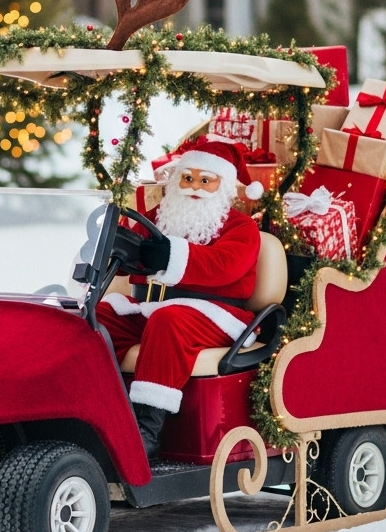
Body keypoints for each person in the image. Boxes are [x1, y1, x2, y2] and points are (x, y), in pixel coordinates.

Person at [97, 138, 263, 459]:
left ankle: (147, 428)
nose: (194, 188)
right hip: (157, 304)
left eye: (205, 181)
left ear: (223, 185)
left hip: (217, 313)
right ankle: (98, 410)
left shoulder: (241, 228)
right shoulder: (162, 217)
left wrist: (171, 256)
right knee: (99, 316)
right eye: (187, 178)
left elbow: (223, 266)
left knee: (169, 321)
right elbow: (138, 251)